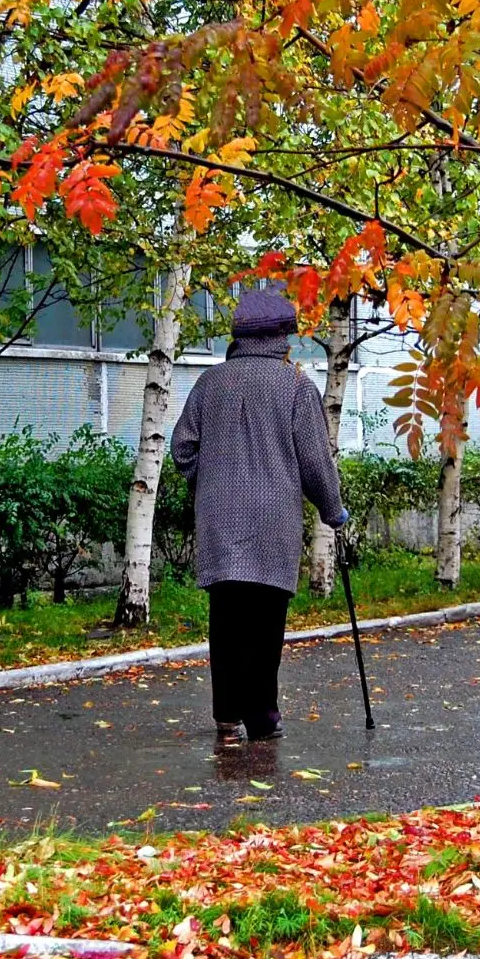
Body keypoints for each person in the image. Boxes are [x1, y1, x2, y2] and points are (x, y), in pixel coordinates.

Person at [172, 287, 345, 744]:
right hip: (273, 524)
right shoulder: (295, 387)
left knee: (226, 621)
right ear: (280, 337)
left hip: (219, 521)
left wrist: (207, 482)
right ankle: (262, 719)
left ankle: (227, 715)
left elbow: (182, 447)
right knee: (266, 626)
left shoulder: (210, 384)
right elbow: (315, 460)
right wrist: (333, 509)